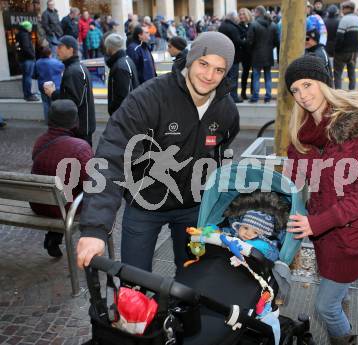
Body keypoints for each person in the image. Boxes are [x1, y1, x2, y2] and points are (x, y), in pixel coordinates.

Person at [76, 32, 240, 275]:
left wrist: (214, 199)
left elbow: (220, 152)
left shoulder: (226, 111)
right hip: (145, 205)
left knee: (192, 280)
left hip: (193, 207)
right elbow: (112, 157)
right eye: (204, 64)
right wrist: (94, 229)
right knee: (134, 282)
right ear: (191, 59)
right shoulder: (148, 99)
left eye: (219, 70)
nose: (208, 76)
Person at [284, 55, 358, 345]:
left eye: (307, 84)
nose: (303, 95)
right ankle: (344, 324)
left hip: (351, 235)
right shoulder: (303, 131)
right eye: (295, 90)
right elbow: (296, 181)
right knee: (339, 297)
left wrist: (317, 223)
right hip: (323, 235)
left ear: (323, 83)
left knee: (325, 305)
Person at [30, 100, 93, 257]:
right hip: (64, 207)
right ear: (75, 121)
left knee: (63, 190)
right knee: (93, 196)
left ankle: (53, 237)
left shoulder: (40, 141)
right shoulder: (80, 147)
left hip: (39, 203)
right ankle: (93, 243)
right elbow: (91, 183)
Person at [43, 35, 96, 146]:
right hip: (82, 125)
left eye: (60, 47)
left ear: (70, 49)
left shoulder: (74, 71)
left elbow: (72, 103)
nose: (57, 50)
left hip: (79, 128)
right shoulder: (77, 67)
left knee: (81, 159)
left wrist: (53, 93)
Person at [247, 6, 279, 103]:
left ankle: (255, 97)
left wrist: (251, 51)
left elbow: (250, 41)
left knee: (256, 76)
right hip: (268, 54)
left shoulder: (253, 24)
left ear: (258, 13)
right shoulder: (273, 25)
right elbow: (276, 42)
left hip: (256, 54)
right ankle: (268, 96)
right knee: (268, 76)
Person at [104, 33, 139, 115]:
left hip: (123, 116)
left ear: (110, 47)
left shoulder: (120, 67)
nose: (106, 50)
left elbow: (123, 96)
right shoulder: (127, 60)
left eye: (106, 47)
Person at [333, 1, 358, 90]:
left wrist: (336, 49)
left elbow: (339, 37)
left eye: (343, 8)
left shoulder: (344, 20)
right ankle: (352, 93)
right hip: (354, 53)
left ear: (347, 8)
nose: (342, 10)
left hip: (342, 52)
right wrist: (357, 49)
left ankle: (338, 94)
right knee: (352, 74)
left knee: (337, 73)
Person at [219, 11, 245, 103]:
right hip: (233, 55)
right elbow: (237, 41)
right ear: (233, 18)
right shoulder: (232, 28)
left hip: (223, 55)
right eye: (237, 17)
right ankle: (234, 97)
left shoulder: (222, 26)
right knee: (233, 77)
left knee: (225, 77)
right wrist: (245, 42)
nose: (238, 18)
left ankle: (223, 96)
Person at [34, 46, 64, 123]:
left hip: (42, 86)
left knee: (45, 103)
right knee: (54, 103)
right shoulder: (56, 62)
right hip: (54, 86)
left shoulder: (37, 63)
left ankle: (48, 120)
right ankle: (55, 121)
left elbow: (34, 75)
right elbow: (64, 69)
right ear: (50, 53)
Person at [15, 21, 39, 102]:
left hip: (23, 59)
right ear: (26, 27)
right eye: (30, 27)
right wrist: (33, 56)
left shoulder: (19, 34)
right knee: (28, 77)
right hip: (27, 59)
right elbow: (26, 48)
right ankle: (28, 95)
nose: (31, 28)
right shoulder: (24, 35)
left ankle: (27, 94)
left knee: (25, 77)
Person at [238, 8, 253, 100]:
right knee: (245, 74)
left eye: (243, 14)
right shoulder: (239, 26)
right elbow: (240, 38)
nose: (241, 16)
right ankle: (243, 92)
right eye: (240, 14)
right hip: (244, 54)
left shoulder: (252, 24)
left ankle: (253, 92)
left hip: (253, 53)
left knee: (254, 74)